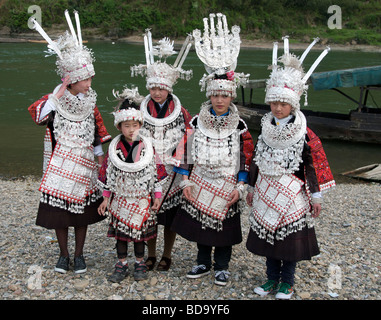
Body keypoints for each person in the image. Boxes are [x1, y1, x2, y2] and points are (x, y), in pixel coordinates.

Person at [245, 37, 335, 299]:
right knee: (268, 236)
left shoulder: (305, 133)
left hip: (293, 192)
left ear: (292, 104)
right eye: (274, 103)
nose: (278, 108)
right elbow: (256, 160)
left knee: (287, 239)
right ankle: (271, 279)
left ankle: (288, 281)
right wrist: (250, 186)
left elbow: (312, 166)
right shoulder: (265, 129)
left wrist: (315, 196)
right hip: (265, 189)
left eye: (283, 104)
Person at [171, 13, 254, 286]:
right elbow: (186, 152)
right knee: (202, 225)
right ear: (209, 95)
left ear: (232, 96)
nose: (220, 100)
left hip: (228, 181)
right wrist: (184, 179)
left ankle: (222, 266)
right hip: (201, 180)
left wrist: (241, 186)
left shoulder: (240, 125)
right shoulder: (195, 121)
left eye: (225, 95)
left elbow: (245, 159)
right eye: (216, 95)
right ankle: (202, 262)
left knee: (225, 226)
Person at [28, 11, 111, 274]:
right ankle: (63, 255)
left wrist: (100, 163)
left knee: (81, 214)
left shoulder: (90, 103)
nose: (90, 83)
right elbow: (38, 117)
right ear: (73, 80)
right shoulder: (54, 101)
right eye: (86, 79)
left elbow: (98, 135)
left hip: (84, 163)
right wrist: (56, 96)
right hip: (60, 163)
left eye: (90, 78)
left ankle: (80, 254)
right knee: (59, 213)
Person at [130, 31, 193, 271]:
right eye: (153, 88)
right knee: (150, 215)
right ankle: (151, 253)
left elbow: (188, 139)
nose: (157, 93)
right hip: (147, 171)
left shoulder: (181, 112)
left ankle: (167, 254)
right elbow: (130, 136)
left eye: (161, 89)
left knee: (170, 217)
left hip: (173, 171)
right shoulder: (139, 109)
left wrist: (182, 165)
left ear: (168, 89)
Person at [97, 87, 162, 282]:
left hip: (141, 198)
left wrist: (157, 197)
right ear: (119, 127)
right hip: (121, 197)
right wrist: (105, 199)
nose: (131, 129)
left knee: (139, 235)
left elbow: (156, 175)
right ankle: (122, 263)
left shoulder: (148, 148)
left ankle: (140, 262)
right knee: (122, 236)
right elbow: (108, 175)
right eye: (127, 126)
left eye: (135, 125)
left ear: (140, 124)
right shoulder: (114, 148)